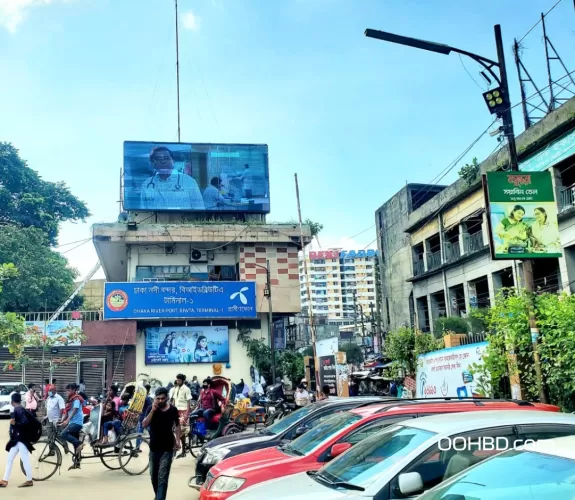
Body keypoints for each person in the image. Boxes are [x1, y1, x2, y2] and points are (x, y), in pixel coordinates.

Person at [142, 387, 180, 500]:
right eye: (157, 398)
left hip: (167, 448)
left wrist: (178, 440)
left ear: (167, 398)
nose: (160, 401)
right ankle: (158, 496)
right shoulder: (151, 408)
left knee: (162, 478)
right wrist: (152, 411)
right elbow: (144, 424)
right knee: (154, 477)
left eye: (162, 398)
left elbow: (177, 425)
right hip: (154, 448)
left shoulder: (173, 410)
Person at [139, 146, 205, 210]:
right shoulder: (147, 184)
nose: (163, 161)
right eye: (158, 159)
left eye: (166, 158)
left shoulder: (189, 181)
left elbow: (199, 208)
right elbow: (143, 210)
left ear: (173, 161)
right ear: (153, 163)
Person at [0, 393, 34, 488]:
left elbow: (24, 422)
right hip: (18, 439)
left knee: (24, 458)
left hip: (22, 439)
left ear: (12, 401)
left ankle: (29, 480)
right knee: (10, 458)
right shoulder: (20, 408)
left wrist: (15, 423)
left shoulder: (18, 409)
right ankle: (5, 480)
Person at [60, 383, 85, 460]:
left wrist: (67, 421)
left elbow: (75, 410)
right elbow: (67, 412)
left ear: (74, 390)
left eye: (69, 390)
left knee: (63, 434)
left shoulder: (76, 399)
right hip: (72, 422)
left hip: (77, 423)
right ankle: (77, 461)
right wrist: (61, 421)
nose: (67, 392)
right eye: (66, 391)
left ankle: (79, 444)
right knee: (75, 443)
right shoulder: (70, 399)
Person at [169, 374, 192, 458]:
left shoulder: (187, 389)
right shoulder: (176, 389)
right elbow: (174, 400)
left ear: (183, 381)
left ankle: (182, 450)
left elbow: (189, 401)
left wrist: (187, 413)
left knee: (181, 430)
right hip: (176, 410)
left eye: (179, 380)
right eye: (177, 380)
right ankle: (179, 447)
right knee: (173, 429)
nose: (177, 381)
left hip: (184, 411)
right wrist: (171, 409)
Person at [136, 384, 152, 450]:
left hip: (141, 416)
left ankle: (137, 447)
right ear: (148, 390)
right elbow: (150, 407)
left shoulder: (141, 397)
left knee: (139, 433)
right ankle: (154, 446)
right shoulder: (148, 398)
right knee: (151, 431)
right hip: (147, 417)